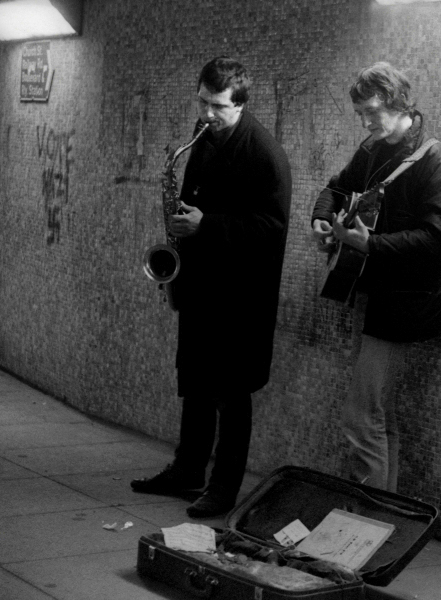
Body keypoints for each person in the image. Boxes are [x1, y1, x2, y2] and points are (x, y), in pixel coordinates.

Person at [132, 56, 292, 518]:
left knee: (231, 392)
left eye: (217, 106)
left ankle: (223, 487)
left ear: (241, 103)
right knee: (197, 380)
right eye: (202, 101)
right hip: (202, 283)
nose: (206, 113)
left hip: (240, 296)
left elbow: (273, 226)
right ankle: (187, 469)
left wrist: (209, 224)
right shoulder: (204, 139)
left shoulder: (265, 154)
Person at [311, 62, 441, 493]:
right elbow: (335, 189)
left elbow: (437, 238)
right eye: (360, 113)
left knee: (361, 418)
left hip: (405, 306)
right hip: (372, 296)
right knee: (379, 417)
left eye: (372, 110)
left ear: (400, 103)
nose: (366, 121)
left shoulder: (435, 161)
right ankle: (380, 520)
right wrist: (323, 219)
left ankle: (366, 526)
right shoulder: (373, 150)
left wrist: (369, 245)